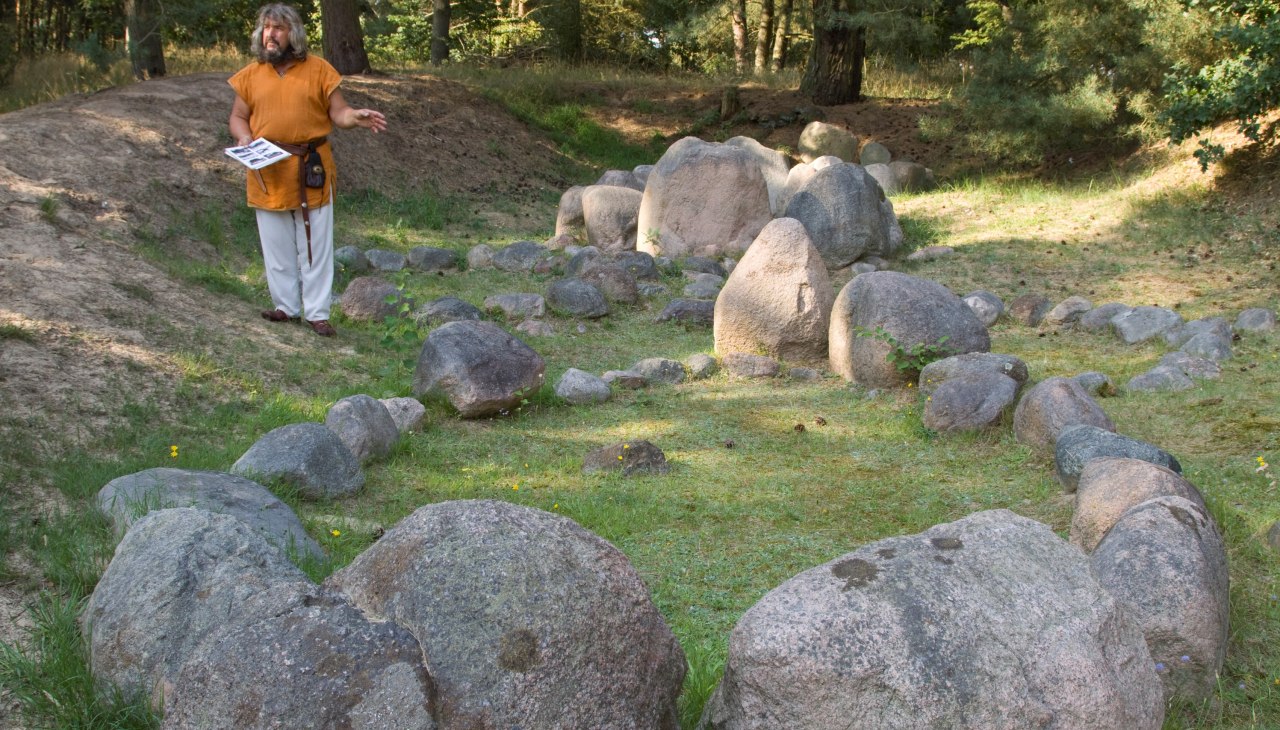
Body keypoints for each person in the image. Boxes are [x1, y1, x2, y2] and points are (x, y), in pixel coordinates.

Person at [228, 3, 386, 337]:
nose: (271, 34)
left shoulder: (319, 70)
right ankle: (285, 306)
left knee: (315, 243)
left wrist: (355, 117)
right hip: (267, 170)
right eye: (267, 28)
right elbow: (239, 116)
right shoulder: (251, 74)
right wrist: (244, 137)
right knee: (276, 243)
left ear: (293, 33)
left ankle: (317, 312)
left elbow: (339, 113)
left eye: (279, 28)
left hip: (310, 167)